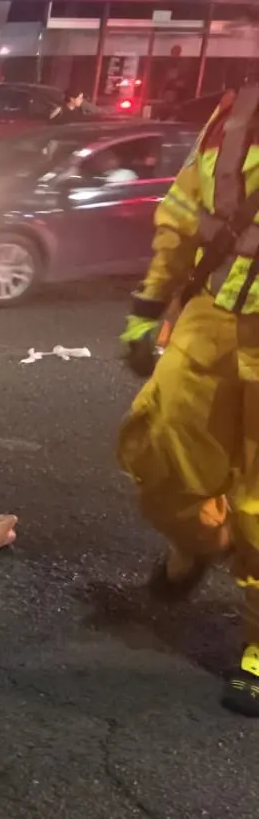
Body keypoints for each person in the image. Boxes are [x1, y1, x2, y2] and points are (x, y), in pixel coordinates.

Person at [117, 83, 259, 717]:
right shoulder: (235, 116)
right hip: (211, 317)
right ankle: (204, 541)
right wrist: (149, 308)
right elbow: (181, 211)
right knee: (161, 451)